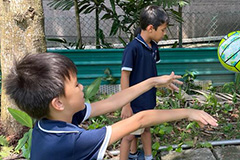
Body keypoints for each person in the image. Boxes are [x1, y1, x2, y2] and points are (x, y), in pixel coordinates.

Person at [5, 53, 218, 160]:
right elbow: (140, 119)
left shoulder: (50, 120)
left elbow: (112, 102)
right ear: (58, 103)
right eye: (76, 84)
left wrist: (153, 81)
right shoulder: (69, 141)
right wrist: (190, 111)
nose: (82, 87)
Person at [120, 5, 170, 160]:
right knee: (129, 135)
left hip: (148, 99)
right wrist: (126, 104)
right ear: (150, 28)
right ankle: (128, 156)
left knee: (146, 129)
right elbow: (125, 76)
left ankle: (146, 157)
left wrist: (166, 83)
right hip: (134, 102)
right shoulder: (133, 48)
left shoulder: (153, 47)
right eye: (162, 30)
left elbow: (152, 75)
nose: (164, 33)